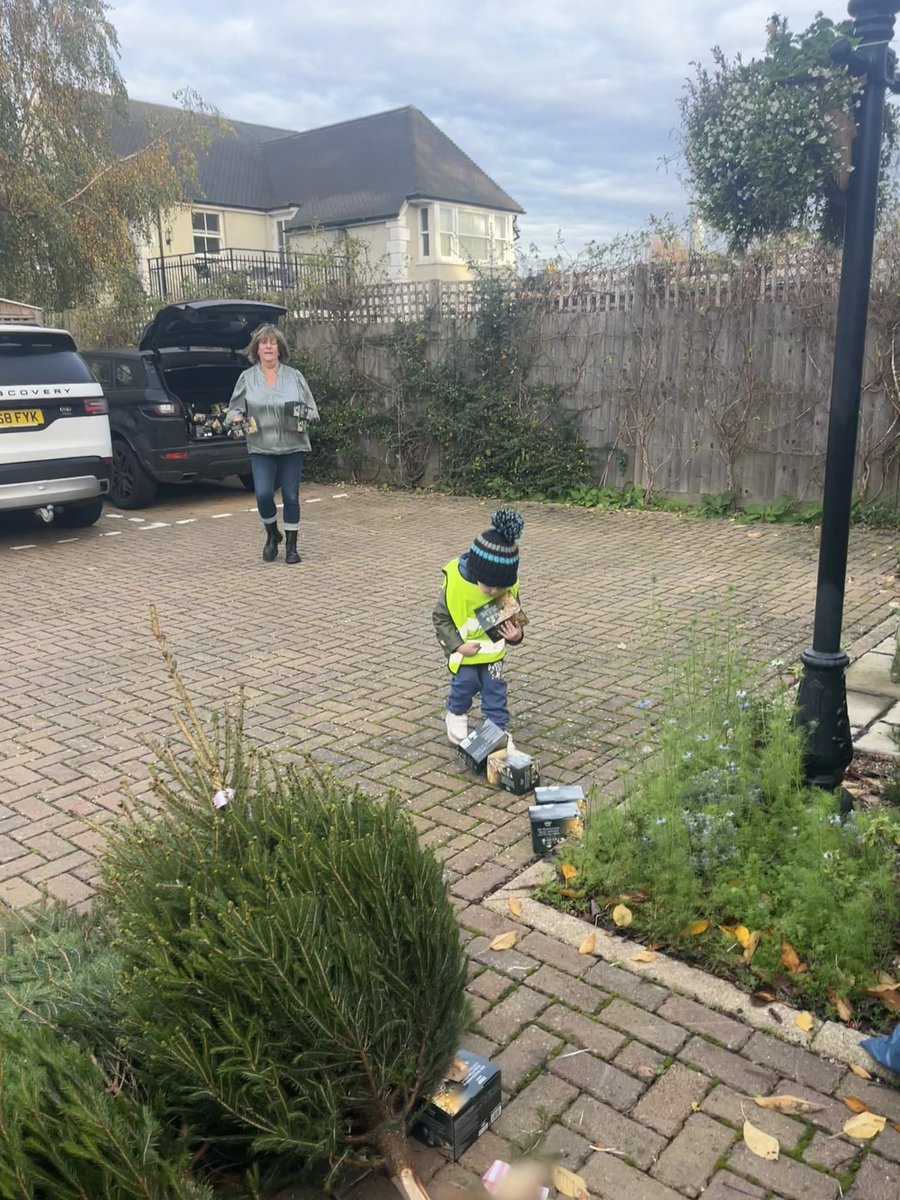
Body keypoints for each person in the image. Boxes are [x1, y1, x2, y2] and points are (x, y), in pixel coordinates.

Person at [226, 324, 319, 564]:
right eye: (264, 343)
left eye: (273, 342)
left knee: (290, 495)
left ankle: (291, 547)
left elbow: (312, 410)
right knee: (263, 495)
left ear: (279, 349)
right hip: (261, 446)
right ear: (256, 349)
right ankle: (271, 535)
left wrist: (303, 416)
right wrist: (236, 417)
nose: (268, 346)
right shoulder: (246, 378)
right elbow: (234, 408)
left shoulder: (294, 376)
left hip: (292, 445)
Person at [432, 508, 525, 745]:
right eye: (489, 586)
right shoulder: (457, 585)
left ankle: (497, 729)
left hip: (493, 655)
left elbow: (513, 621)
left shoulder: (506, 588)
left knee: (495, 690)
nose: (493, 592)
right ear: (475, 572)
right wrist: (458, 647)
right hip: (465, 653)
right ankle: (456, 712)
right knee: (465, 684)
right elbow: (441, 619)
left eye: (500, 587)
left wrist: (516, 635)